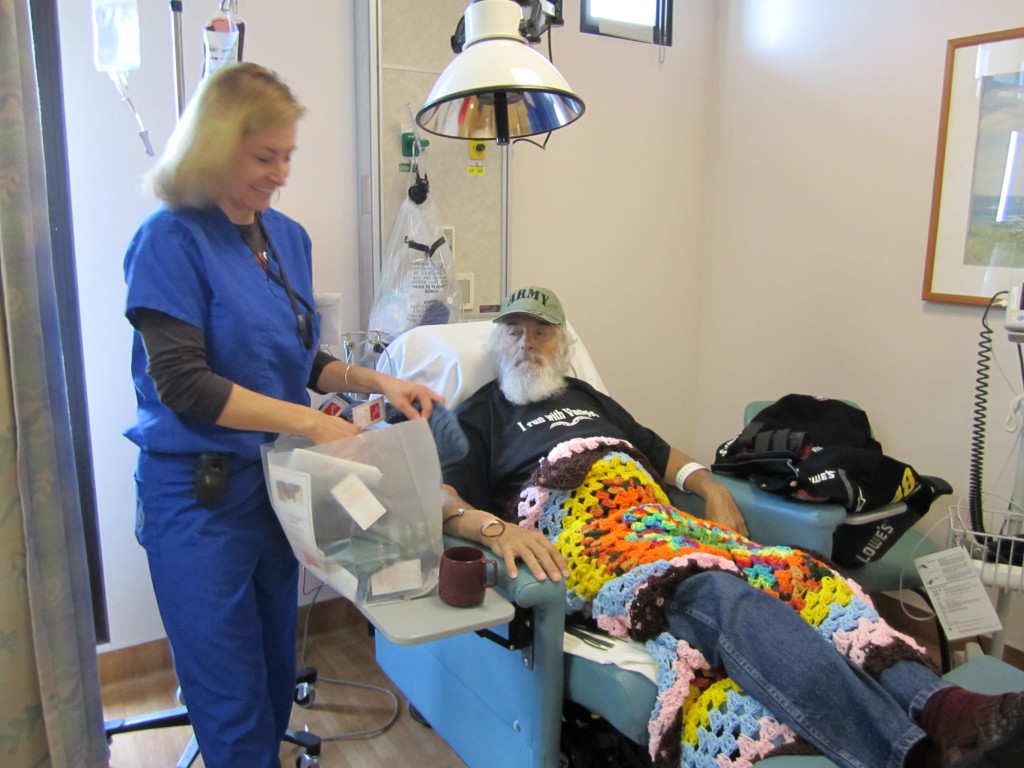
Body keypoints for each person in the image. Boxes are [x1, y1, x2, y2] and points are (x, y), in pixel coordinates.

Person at [439, 285, 1024, 768]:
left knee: (799, 576)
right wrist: (494, 531)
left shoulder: (589, 396)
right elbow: (439, 497)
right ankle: (912, 755)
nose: (526, 342)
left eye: (540, 331)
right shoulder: (481, 413)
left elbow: (659, 454)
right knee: (719, 594)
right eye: (514, 330)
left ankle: (947, 707)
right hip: (590, 537)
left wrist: (710, 486)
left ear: (561, 344)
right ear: (499, 341)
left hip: (656, 519)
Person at [122, 63, 440, 768]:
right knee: (229, 702)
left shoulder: (285, 238)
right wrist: (313, 423)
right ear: (213, 146)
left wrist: (373, 381)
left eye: (288, 155)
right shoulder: (169, 241)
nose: (281, 173)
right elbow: (186, 384)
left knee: (271, 680)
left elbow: (296, 355)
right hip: (198, 503)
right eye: (265, 157)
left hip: (271, 491)